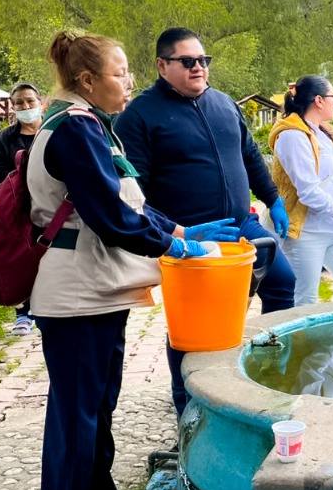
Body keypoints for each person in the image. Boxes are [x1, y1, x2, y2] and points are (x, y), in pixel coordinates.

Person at [27, 30, 232, 490]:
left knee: (94, 413)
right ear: (87, 80)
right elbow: (112, 217)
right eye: (120, 72)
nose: (128, 81)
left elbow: (131, 204)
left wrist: (181, 229)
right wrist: (173, 246)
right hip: (76, 297)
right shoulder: (75, 129)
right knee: (79, 419)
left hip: (95, 293)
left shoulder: (91, 125)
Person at [116, 27, 296, 418]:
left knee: (283, 281)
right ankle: (188, 406)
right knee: (193, 327)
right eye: (187, 61)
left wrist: (273, 199)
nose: (198, 67)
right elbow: (133, 191)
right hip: (193, 235)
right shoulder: (140, 116)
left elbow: (250, 155)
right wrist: (171, 234)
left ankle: (268, 375)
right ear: (162, 65)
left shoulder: (223, 104)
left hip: (240, 225)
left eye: (203, 60)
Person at [267, 75, 333, 305]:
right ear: (319, 100)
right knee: (305, 300)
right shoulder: (292, 136)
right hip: (306, 233)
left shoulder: (324, 134)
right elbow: (308, 190)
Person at [0, 81, 45, 336]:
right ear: (12, 107)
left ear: (41, 102)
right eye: (19, 103)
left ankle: (47, 310)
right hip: (21, 207)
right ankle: (23, 313)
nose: (25, 106)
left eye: (30, 101)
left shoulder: (52, 130)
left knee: (49, 256)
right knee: (22, 258)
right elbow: (0, 176)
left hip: (52, 205)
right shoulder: (7, 138)